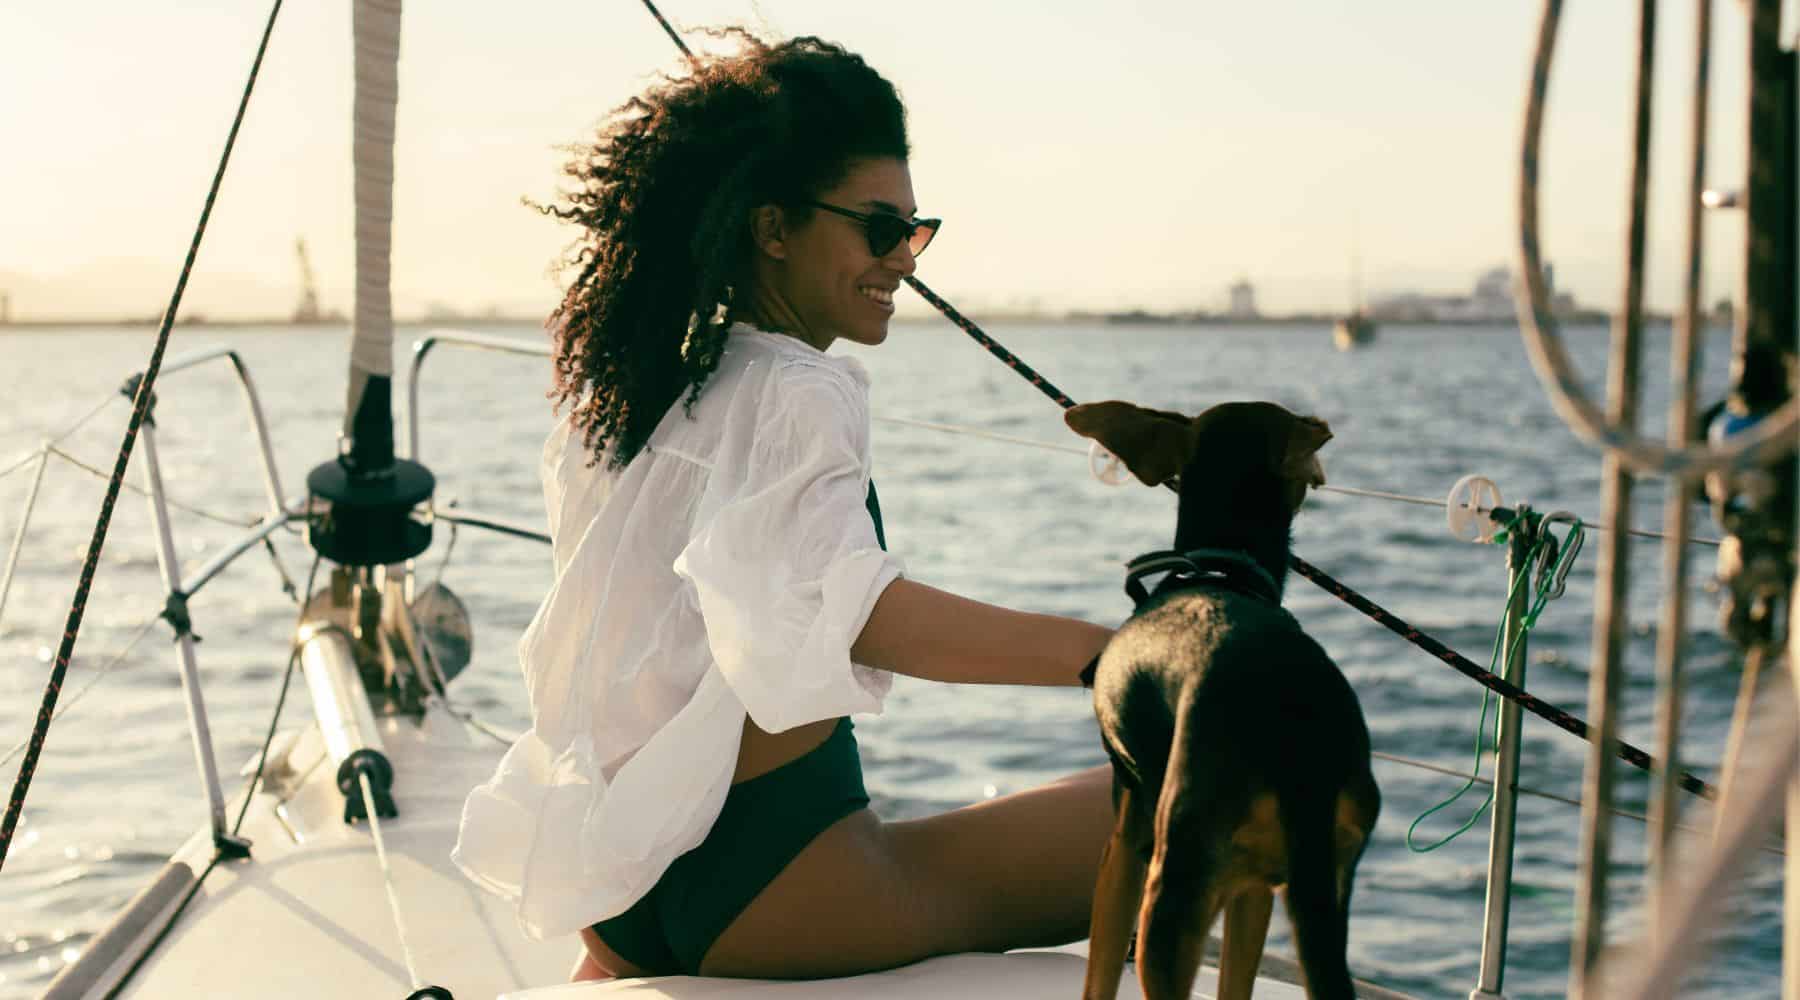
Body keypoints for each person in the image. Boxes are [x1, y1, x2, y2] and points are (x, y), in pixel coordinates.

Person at [452, 32, 1116, 982]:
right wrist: (1115, 657)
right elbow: (863, 615)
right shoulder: (799, 385)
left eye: (917, 232)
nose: (906, 260)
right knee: (1229, 787)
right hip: (779, 884)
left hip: (625, 895)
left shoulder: (646, 392)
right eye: (880, 229)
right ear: (774, 229)